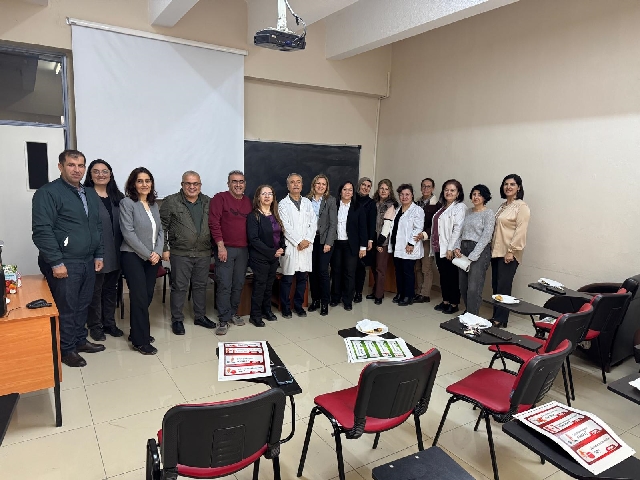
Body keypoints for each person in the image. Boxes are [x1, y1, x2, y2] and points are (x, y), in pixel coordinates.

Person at [32, 149, 106, 368]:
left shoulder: (89, 193)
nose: (77, 170)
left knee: (83, 305)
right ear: (60, 167)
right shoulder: (48, 193)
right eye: (71, 165)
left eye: (81, 165)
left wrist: (99, 253)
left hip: (87, 259)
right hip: (65, 261)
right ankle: (66, 349)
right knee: (67, 307)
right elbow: (42, 230)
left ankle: (79, 340)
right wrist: (56, 262)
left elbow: (97, 226)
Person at [160, 171, 215, 336]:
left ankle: (200, 316)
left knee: (200, 286)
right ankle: (177, 319)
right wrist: (164, 248)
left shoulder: (208, 202)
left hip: (203, 252)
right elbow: (162, 227)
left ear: (200, 185)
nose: (192, 187)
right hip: (180, 252)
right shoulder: (171, 201)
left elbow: (215, 225)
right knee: (179, 287)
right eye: (188, 183)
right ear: (182, 184)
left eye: (195, 183)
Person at [120, 167, 164, 355]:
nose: (144, 184)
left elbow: (161, 231)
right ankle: (141, 341)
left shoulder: (153, 205)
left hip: (152, 258)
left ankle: (135, 332)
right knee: (139, 297)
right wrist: (148, 254)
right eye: (140, 181)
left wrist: (158, 252)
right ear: (133, 183)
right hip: (132, 256)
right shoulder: (127, 203)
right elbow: (128, 233)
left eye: (147, 180)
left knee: (146, 296)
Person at [84, 159, 125, 341]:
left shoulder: (118, 196)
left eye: (105, 171)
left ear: (110, 174)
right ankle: (95, 326)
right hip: (96, 254)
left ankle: (109, 323)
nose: (101, 174)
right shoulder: (85, 196)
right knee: (95, 292)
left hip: (116, 252)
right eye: (96, 171)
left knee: (111, 290)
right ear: (90, 175)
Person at [209, 170, 252, 334]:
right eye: (234, 181)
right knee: (224, 285)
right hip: (225, 249)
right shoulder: (219, 198)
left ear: (245, 184)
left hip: (243, 250)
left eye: (241, 181)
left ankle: (233, 313)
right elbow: (214, 223)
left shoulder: (248, 202)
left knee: (238, 283)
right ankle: (223, 319)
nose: (238, 185)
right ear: (228, 184)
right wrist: (220, 247)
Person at [491, 174, 530, 327]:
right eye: (506, 184)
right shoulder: (503, 206)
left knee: (503, 286)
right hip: (496, 251)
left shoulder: (521, 206)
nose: (508, 187)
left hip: (509, 253)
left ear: (518, 187)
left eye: (512, 184)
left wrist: (511, 251)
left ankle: (501, 319)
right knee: (496, 286)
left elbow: (521, 230)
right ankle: (496, 316)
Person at [278, 173, 317, 318]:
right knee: (287, 279)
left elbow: (313, 223)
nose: (295, 184)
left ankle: (299, 306)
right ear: (288, 186)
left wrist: (307, 240)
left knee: (302, 279)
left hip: (306, 247)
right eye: (292, 182)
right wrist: (299, 241)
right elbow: (285, 226)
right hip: (292, 246)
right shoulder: (283, 204)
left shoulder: (307, 203)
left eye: (298, 182)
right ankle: (286, 307)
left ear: (302, 185)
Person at [247, 185, 286, 327]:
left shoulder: (275, 214)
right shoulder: (254, 216)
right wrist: (271, 252)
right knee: (260, 286)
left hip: (274, 257)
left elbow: (280, 235)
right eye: (264, 193)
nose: (267, 196)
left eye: (270, 193)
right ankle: (255, 315)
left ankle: (266, 310)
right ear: (258, 197)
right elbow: (254, 239)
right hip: (260, 258)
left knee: (269, 286)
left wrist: (282, 248)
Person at [453, 185, 495, 315]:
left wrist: (474, 254)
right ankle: (468, 311)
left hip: (479, 250)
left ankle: (472, 315)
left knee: (473, 287)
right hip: (464, 249)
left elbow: (487, 236)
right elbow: (461, 232)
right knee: (463, 285)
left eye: (479, 194)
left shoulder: (488, 213)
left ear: (485, 197)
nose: (476, 197)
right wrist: (457, 247)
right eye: (474, 194)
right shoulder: (468, 212)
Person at [330, 181, 368, 311]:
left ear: (353, 193)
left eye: (350, 190)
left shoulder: (358, 207)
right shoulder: (334, 205)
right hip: (336, 243)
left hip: (351, 245)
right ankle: (335, 297)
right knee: (336, 271)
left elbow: (363, 228)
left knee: (349, 272)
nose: (347, 192)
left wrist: (363, 247)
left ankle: (347, 300)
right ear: (340, 191)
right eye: (345, 189)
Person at [431, 180, 466, 314]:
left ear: (458, 193)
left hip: (449, 249)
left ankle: (454, 303)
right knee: (443, 275)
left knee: (452, 276)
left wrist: (450, 248)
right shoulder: (442, 208)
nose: (449, 192)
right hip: (438, 247)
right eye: (446, 190)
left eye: (452, 190)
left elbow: (458, 229)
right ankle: (445, 301)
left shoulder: (460, 207)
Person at [307, 174, 337, 316]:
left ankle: (325, 302)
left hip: (324, 240)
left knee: (323, 271)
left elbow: (333, 224)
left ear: (326, 187)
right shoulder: (306, 200)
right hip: (310, 241)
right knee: (312, 272)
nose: (320, 186)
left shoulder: (330, 200)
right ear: (314, 185)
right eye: (318, 183)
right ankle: (315, 300)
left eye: (323, 184)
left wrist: (328, 242)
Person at [389, 184, 424, 306]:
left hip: (408, 246)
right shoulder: (398, 210)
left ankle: (408, 296)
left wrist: (411, 243)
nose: (404, 197)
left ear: (412, 195)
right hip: (397, 245)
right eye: (402, 194)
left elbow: (418, 228)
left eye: (407, 194)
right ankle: (400, 293)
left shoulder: (417, 210)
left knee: (407, 272)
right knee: (398, 271)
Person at [367, 179, 398, 304]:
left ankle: (379, 295)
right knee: (373, 267)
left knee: (380, 268)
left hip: (382, 242)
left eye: (386, 189)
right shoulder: (373, 203)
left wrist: (379, 243)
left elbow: (387, 226)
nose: (383, 191)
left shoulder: (391, 205)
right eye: (381, 188)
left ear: (390, 191)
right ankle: (375, 290)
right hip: (372, 240)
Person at [413, 177, 441, 303]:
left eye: (428, 186)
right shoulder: (416, 203)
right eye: (423, 186)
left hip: (427, 239)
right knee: (417, 266)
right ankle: (418, 291)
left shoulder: (437, 205)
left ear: (433, 188)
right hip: (416, 239)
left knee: (426, 266)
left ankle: (425, 294)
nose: (426, 188)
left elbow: (436, 224)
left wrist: (424, 234)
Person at [354, 177, 376, 303]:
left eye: (368, 186)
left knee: (360, 267)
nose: (366, 188)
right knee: (349, 266)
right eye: (364, 185)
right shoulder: (352, 199)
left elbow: (372, 223)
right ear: (359, 185)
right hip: (350, 238)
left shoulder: (371, 203)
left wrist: (370, 240)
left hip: (363, 239)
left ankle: (358, 292)